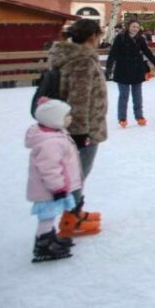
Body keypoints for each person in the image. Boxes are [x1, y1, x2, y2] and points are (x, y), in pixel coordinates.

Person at [48, 18, 106, 238]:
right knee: (78, 174)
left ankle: (75, 211)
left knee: (76, 174)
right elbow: (79, 99)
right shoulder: (82, 60)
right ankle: (71, 218)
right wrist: (82, 134)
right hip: (83, 129)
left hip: (74, 126)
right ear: (92, 37)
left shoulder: (67, 56)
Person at [26, 98, 81, 263]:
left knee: (50, 215)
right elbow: (49, 169)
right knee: (47, 215)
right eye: (66, 116)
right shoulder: (50, 143)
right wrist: (58, 187)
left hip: (55, 187)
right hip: (49, 189)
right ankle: (43, 245)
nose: (70, 118)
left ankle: (50, 238)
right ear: (54, 120)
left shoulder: (54, 134)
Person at [106, 19, 155, 126]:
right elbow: (113, 54)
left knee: (137, 95)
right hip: (122, 70)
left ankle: (139, 116)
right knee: (124, 95)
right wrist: (109, 68)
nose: (135, 29)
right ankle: (122, 118)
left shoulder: (140, 39)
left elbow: (147, 52)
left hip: (137, 70)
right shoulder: (120, 38)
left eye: (137, 27)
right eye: (133, 26)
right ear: (128, 26)